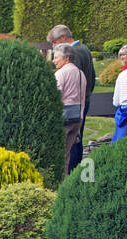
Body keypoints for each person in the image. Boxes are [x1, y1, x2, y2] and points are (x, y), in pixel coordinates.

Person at [47, 25, 94, 172]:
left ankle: (69, 172)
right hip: (81, 103)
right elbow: (89, 79)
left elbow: (64, 88)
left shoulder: (74, 54)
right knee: (77, 137)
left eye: (54, 42)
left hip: (69, 106)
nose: (54, 46)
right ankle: (76, 170)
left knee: (69, 144)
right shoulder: (84, 49)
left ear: (63, 38)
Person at [53, 43, 88, 174]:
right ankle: (66, 180)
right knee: (67, 153)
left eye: (56, 57)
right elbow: (83, 98)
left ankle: (58, 181)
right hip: (76, 118)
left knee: (58, 154)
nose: (54, 60)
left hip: (63, 117)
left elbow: (56, 96)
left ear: (67, 58)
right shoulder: (80, 74)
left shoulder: (60, 74)